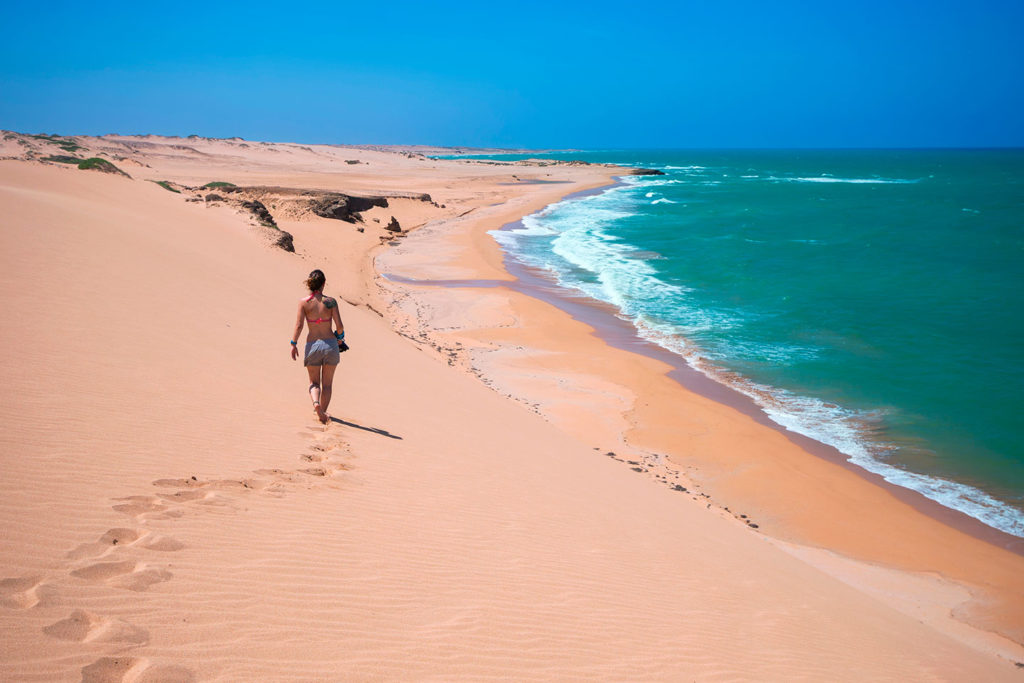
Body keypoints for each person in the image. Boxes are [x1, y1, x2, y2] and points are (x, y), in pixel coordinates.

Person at [290, 269, 345, 423]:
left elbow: (299, 325)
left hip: (312, 345)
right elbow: (339, 326)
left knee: (314, 383)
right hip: (330, 345)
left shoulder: (304, 303)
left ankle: (316, 404)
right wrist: (340, 338)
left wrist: (294, 343)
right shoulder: (331, 302)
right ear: (324, 283)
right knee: (327, 384)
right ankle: (323, 412)